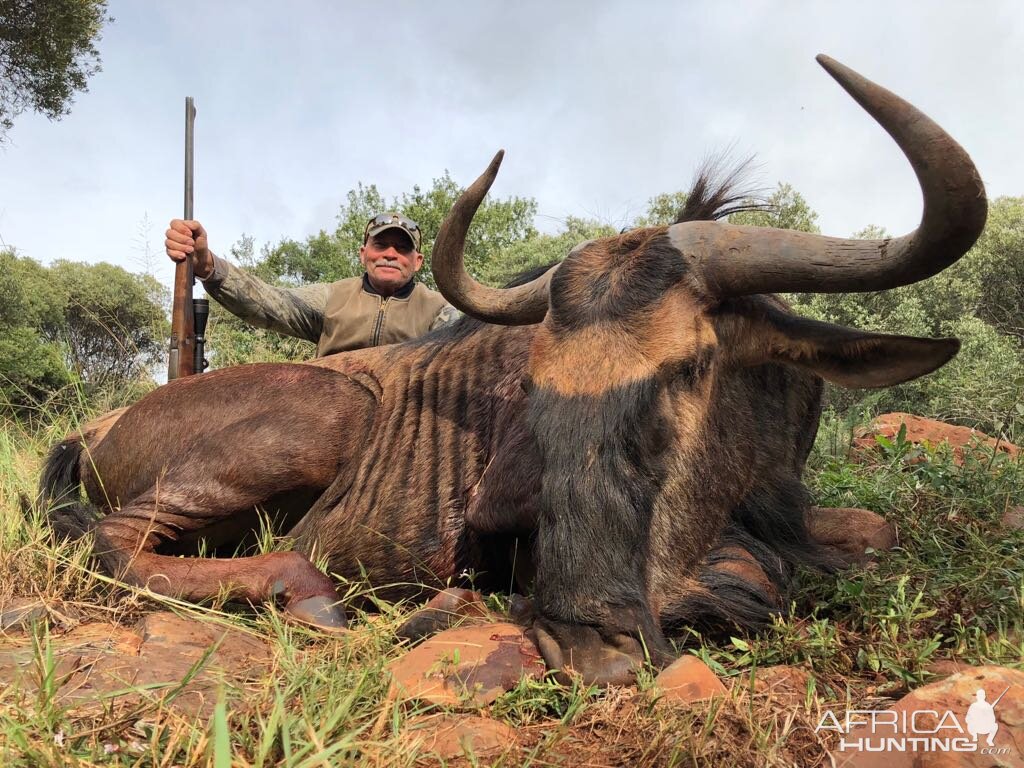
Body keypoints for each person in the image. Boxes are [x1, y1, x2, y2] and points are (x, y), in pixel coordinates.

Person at [164, 213, 458, 356]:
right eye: (381, 245)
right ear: (363, 254)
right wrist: (207, 265)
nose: (390, 254)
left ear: (417, 261)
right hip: (327, 420)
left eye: (401, 248)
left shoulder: (440, 310)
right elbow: (269, 302)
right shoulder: (333, 296)